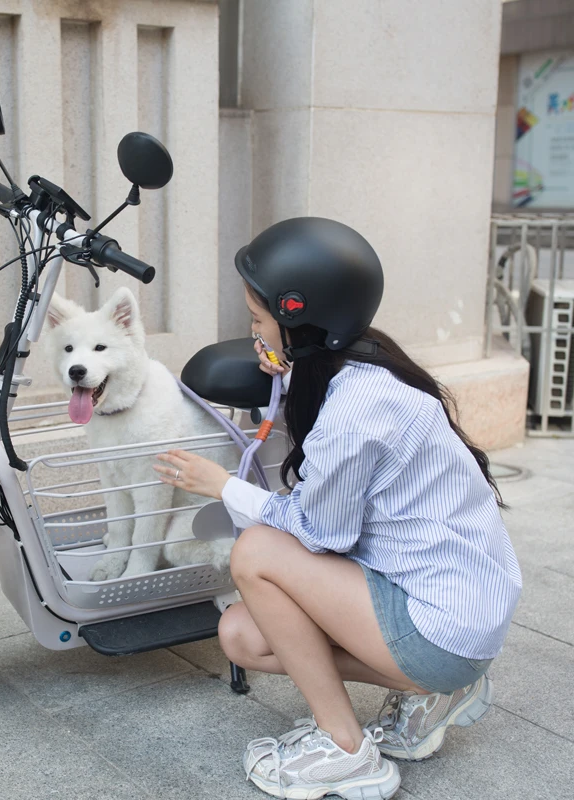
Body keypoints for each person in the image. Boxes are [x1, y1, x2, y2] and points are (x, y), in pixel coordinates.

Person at [154, 217, 522, 800]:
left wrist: (223, 486)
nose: (253, 333)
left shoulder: (354, 414)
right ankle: (440, 689)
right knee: (242, 636)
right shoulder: (366, 365)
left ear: (299, 319)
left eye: (258, 320)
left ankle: (346, 749)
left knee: (257, 552)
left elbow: (319, 533)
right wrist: (290, 369)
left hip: (441, 625)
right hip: (456, 609)